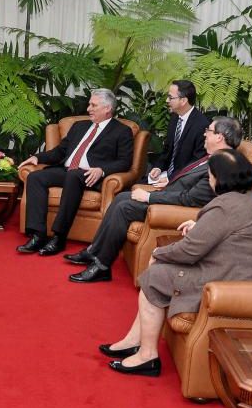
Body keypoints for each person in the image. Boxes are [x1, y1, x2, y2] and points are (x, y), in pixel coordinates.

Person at [101, 149, 252, 377]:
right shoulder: (248, 198)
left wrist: (159, 252)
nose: (209, 179)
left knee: (156, 275)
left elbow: (190, 251)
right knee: (160, 269)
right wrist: (199, 224)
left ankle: (147, 356)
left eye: (210, 175)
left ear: (219, 177)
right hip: (243, 271)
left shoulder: (225, 205)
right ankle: (135, 341)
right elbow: (227, 229)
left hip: (235, 280)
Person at [65, 116, 242, 283]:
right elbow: (190, 184)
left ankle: (102, 266)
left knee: (124, 207)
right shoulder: (212, 158)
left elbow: (191, 199)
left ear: (219, 137)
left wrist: (149, 196)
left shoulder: (221, 165)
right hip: (169, 196)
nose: (204, 133)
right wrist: (168, 182)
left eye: (208, 130)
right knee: (121, 197)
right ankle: (93, 251)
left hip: (177, 210)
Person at [16, 89, 134, 257]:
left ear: (107, 108)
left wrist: (102, 170)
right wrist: (37, 157)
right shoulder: (80, 126)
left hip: (89, 175)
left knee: (74, 175)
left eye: (93, 105)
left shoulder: (122, 131)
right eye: (89, 104)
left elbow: (125, 162)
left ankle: (59, 237)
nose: (88, 109)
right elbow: (60, 152)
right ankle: (38, 235)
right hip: (67, 170)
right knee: (35, 177)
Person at [147, 80, 208, 184]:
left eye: (170, 97)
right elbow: (167, 149)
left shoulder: (201, 125)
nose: (167, 100)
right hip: (166, 174)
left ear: (183, 101)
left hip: (183, 180)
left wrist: (171, 179)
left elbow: (196, 163)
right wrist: (158, 168)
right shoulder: (175, 117)